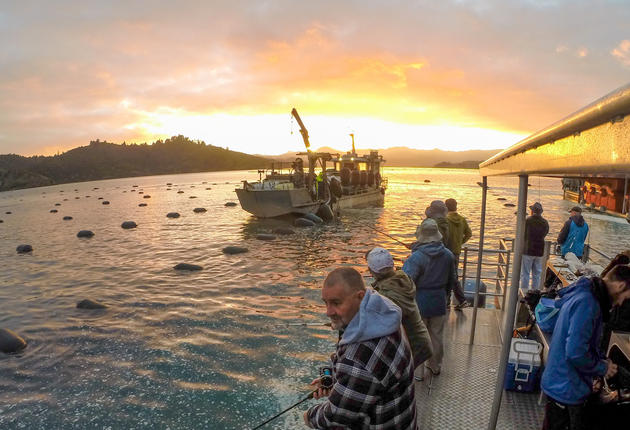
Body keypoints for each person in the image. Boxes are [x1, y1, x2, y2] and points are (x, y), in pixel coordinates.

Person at [303, 267, 417, 429]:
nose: (328, 312)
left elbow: (334, 419)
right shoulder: (384, 317)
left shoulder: (358, 358)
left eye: (336, 302)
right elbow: (372, 376)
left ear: (360, 297)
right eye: (325, 303)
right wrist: (338, 381)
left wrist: (309, 415)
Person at [541, 264, 630, 430]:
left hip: (559, 381)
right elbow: (575, 352)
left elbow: (582, 343)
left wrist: (602, 361)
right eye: (625, 297)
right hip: (566, 388)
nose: (621, 303)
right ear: (620, 286)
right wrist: (603, 368)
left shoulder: (584, 292)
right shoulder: (588, 304)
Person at [402, 218, 456, 376]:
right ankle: (435, 365)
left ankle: (417, 372)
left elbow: (406, 281)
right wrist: (447, 296)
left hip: (419, 300)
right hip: (439, 299)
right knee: (437, 336)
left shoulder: (416, 257)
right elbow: (452, 279)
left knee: (418, 337)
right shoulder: (448, 255)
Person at [365, 247, 433, 372]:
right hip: (422, 340)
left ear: (371, 271)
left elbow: (377, 323)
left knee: (398, 381)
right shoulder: (403, 278)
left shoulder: (387, 295)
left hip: (413, 346)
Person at [444, 198, 472, 309]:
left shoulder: (445, 220)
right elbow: (469, 234)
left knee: (448, 277)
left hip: (446, 251)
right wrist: (460, 242)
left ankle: (451, 301)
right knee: (453, 275)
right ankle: (458, 300)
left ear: (446, 207)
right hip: (456, 252)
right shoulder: (462, 219)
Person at [520, 202, 549, 291]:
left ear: (532, 211)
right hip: (539, 250)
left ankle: (524, 292)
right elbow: (545, 233)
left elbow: (523, 234)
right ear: (541, 212)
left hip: (528, 250)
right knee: (537, 273)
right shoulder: (545, 222)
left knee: (525, 273)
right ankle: (535, 291)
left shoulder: (528, 221)